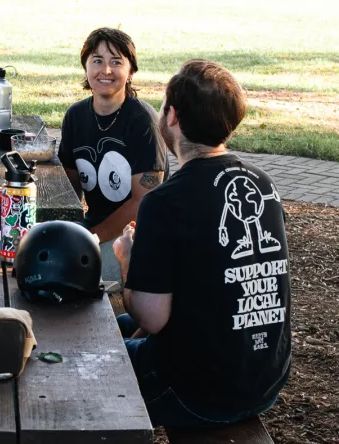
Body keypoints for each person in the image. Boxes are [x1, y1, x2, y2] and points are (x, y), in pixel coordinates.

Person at [113, 60, 291, 428]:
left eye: (163, 106)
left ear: (173, 117)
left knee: (94, 354)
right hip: (264, 381)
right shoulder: (263, 183)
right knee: (113, 323)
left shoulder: (165, 202)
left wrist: (128, 260)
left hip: (198, 394)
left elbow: (153, 318)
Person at [58, 28, 168, 284]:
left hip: (137, 237)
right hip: (93, 229)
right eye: (97, 60)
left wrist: (91, 238)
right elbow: (68, 191)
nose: (105, 70)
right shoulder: (75, 116)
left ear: (130, 71)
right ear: (85, 66)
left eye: (116, 62)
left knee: (75, 277)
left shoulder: (143, 121)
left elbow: (144, 202)